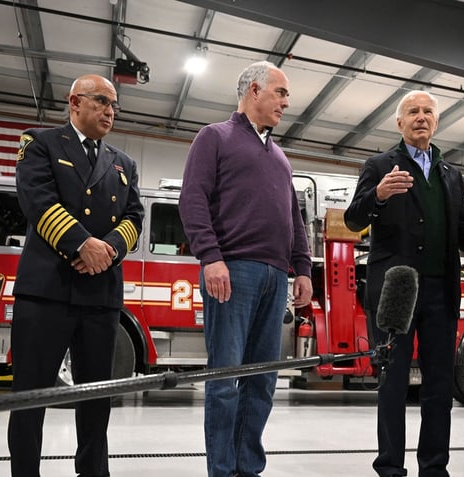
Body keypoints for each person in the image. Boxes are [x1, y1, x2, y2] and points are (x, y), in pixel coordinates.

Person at [178, 60, 313, 477]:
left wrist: (303, 268)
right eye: (281, 93)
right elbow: (193, 200)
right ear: (254, 90)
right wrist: (211, 256)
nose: (287, 103)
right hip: (233, 271)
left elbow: (294, 218)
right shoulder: (214, 137)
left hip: (276, 277)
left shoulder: (280, 157)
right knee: (225, 381)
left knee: (264, 381)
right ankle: (222, 469)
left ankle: (247, 467)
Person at [6, 74, 143, 477]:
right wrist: (83, 244)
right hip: (46, 291)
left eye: (114, 105)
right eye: (102, 101)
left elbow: (135, 216)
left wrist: (110, 249)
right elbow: (37, 200)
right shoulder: (40, 143)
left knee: (97, 398)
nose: (110, 111)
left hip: (100, 295)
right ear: (74, 102)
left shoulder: (124, 162)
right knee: (30, 398)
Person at [345, 90, 464, 477]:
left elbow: (458, 234)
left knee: (440, 386)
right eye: (412, 112)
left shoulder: (451, 174)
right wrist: (380, 195)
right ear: (399, 122)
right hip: (395, 294)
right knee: (392, 381)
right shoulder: (378, 165)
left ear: (436, 121)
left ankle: (434, 467)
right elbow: (355, 219)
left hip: (441, 290)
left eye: (427, 112)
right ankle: (390, 466)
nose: (421, 117)